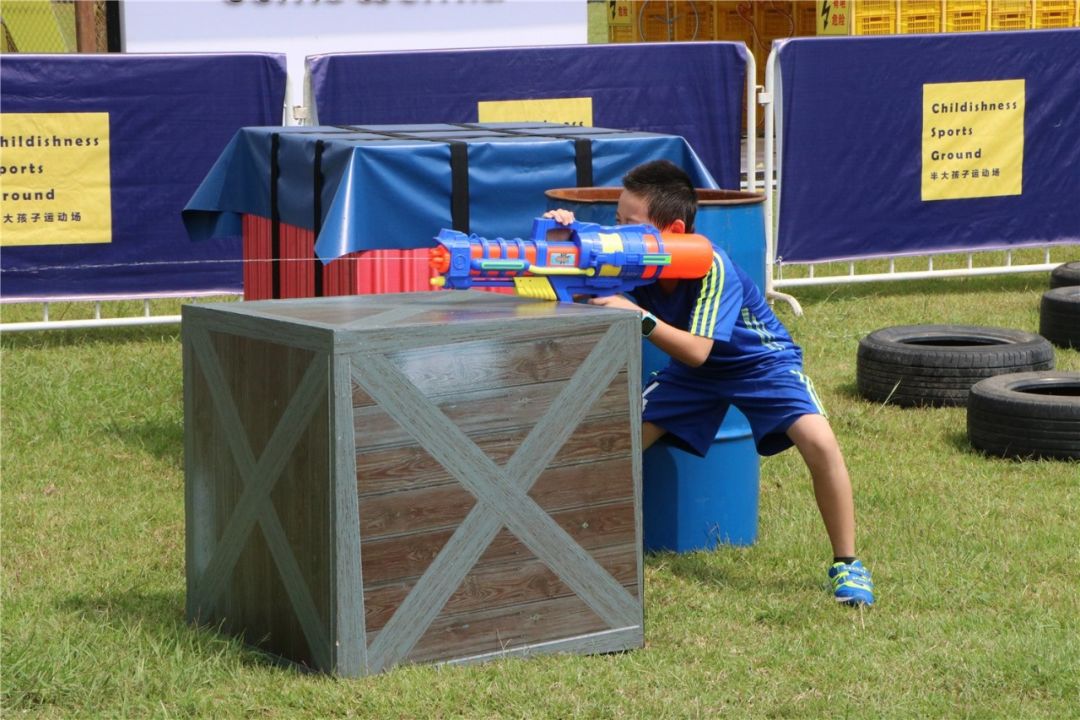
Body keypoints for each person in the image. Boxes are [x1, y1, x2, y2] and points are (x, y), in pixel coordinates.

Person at [546, 160, 874, 606]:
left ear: (674, 230)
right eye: (616, 220)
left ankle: (847, 564)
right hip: (693, 375)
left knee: (819, 441)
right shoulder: (629, 258)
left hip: (761, 363)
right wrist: (560, 240)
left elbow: (698, 348)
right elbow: (577, 275)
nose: (617, 232)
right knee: (617, 443)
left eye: (629, 224)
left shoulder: (710, 264)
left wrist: (637, 316)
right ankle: (566, 546)